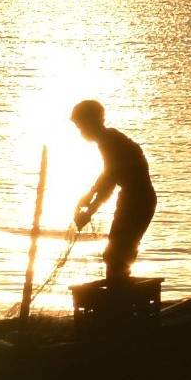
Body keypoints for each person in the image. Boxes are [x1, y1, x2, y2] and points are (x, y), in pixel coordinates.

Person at [70, 99, 156, 286]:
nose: (81, 132)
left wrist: (90, 210)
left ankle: (119, 302)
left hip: (138, 200)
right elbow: (108, 174)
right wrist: (90, 194)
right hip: (131, 198)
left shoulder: (111, 142)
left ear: (91, 122)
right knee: (117, 252)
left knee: (118, 253)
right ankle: (119, 296)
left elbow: (109, 182)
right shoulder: (108, 140)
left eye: (80, 126)